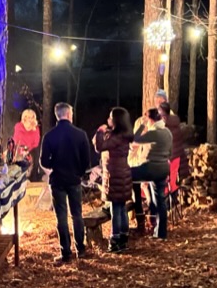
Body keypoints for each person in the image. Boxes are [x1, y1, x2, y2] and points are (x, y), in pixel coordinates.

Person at [40, 102, 92, 263]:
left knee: (61, 217)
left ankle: (66, 252)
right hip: (74, 180)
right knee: (77, 214)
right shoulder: (80, 134)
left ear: (57, 115)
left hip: (57, 180)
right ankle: (81, 249)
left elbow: (44, 161)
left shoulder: (49, 136)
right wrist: (80, 172)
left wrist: (54, 166)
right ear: (69, 114)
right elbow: (86, 161)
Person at [94, 107, 134, 253]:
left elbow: (99, 147)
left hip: (114, 176)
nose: (108, 120)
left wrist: (99, 131)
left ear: (116, 120)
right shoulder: (123, 136)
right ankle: (123, 238)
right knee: (121, 207)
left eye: (110, 117)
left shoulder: (116, 138)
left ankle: (115, 240)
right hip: (123, 174)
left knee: (115, 209)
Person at [131, 108, 173, 239]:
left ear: (150, 120)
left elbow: (135, 139)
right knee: (160, 200)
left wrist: (142, 125)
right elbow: (170, 153)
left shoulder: (154, 132)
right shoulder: (168, 132)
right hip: (163, 169)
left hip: (149, 169)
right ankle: (161, 233)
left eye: (146, 120)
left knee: (126, 174)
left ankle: (135, 213)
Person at [158, 99, 187, 177]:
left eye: (160, 113)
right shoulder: (175, 124)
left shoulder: (166, 128)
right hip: (180, 163)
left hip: (172, 165)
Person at [11, 108, 41, 174]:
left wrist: (28, 150)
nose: (30, 119)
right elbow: (16, 139)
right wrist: (21, 150)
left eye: (32, 117)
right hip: (18, 150)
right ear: (24, 118)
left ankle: (32, 174)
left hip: (30, 151)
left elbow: (36, 143)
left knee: (33, 156)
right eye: (28, 117)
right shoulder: (18, 126)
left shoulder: (36, 128)